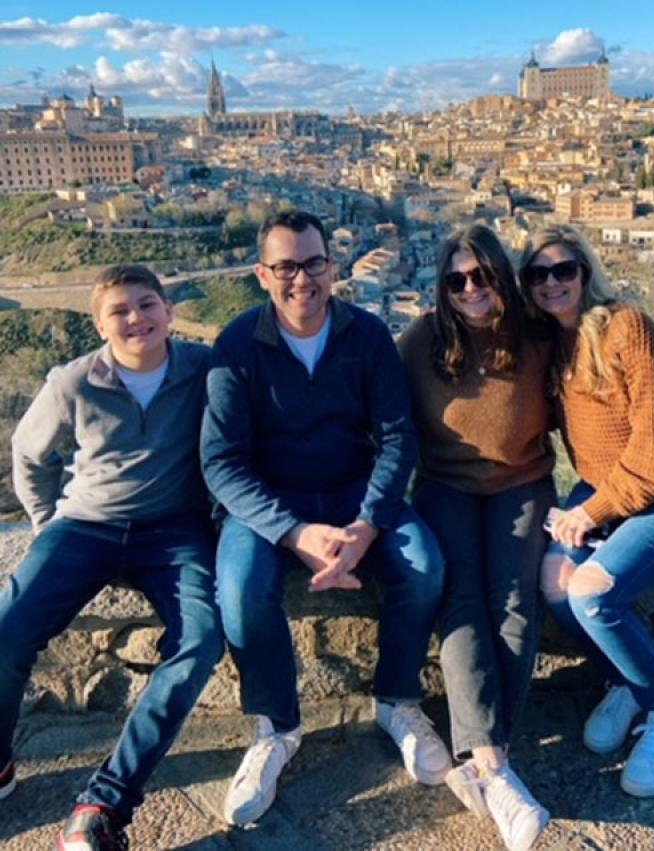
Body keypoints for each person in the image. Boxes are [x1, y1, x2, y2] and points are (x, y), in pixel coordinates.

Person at [201, 209, 449, 828]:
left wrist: (366, 524)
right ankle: (277, 727)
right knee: (238, 590)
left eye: (313, 263)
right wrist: (295, 532)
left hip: (351, 495)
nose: (301, 279)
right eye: (285, 266)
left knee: (424, 567)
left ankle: (397, 701)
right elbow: (222, 462)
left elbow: (397, 438)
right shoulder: (236, 345)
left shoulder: (366, 336)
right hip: (266, 502)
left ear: (333, 267)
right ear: (263, 274)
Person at [1, 265, 223, 851]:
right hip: (86, 525)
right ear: (100, 324)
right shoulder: (71, 381)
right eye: (120, 311)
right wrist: (49, 525)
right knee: (8, 628)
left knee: (201, 640)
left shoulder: (204, 369)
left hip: (176, 530)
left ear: (169, 312)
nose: (136, 319)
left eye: (147, 304)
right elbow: (29, 454)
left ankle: (105, 803)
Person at [518, 224, 654, 798]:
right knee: (553, 582)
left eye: (564, 270)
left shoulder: (626, 329)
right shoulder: (553, 349)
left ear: (585, 272)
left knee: (591, 592)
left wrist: (595, 511)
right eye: (538, 274)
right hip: (602, 494)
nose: (552, 283)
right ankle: (624, 683)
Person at [399, 224, 556, 851]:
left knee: (516, 597)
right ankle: (496, 767)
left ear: (501, 278)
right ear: (443, 286)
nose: (471, 289)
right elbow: (375, 412)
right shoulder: (420, 342)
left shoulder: (536, 337)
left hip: (523, 481)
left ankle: (488, 761)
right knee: (461, 598)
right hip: (445, 485)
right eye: (457, 279)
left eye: (482, 276)